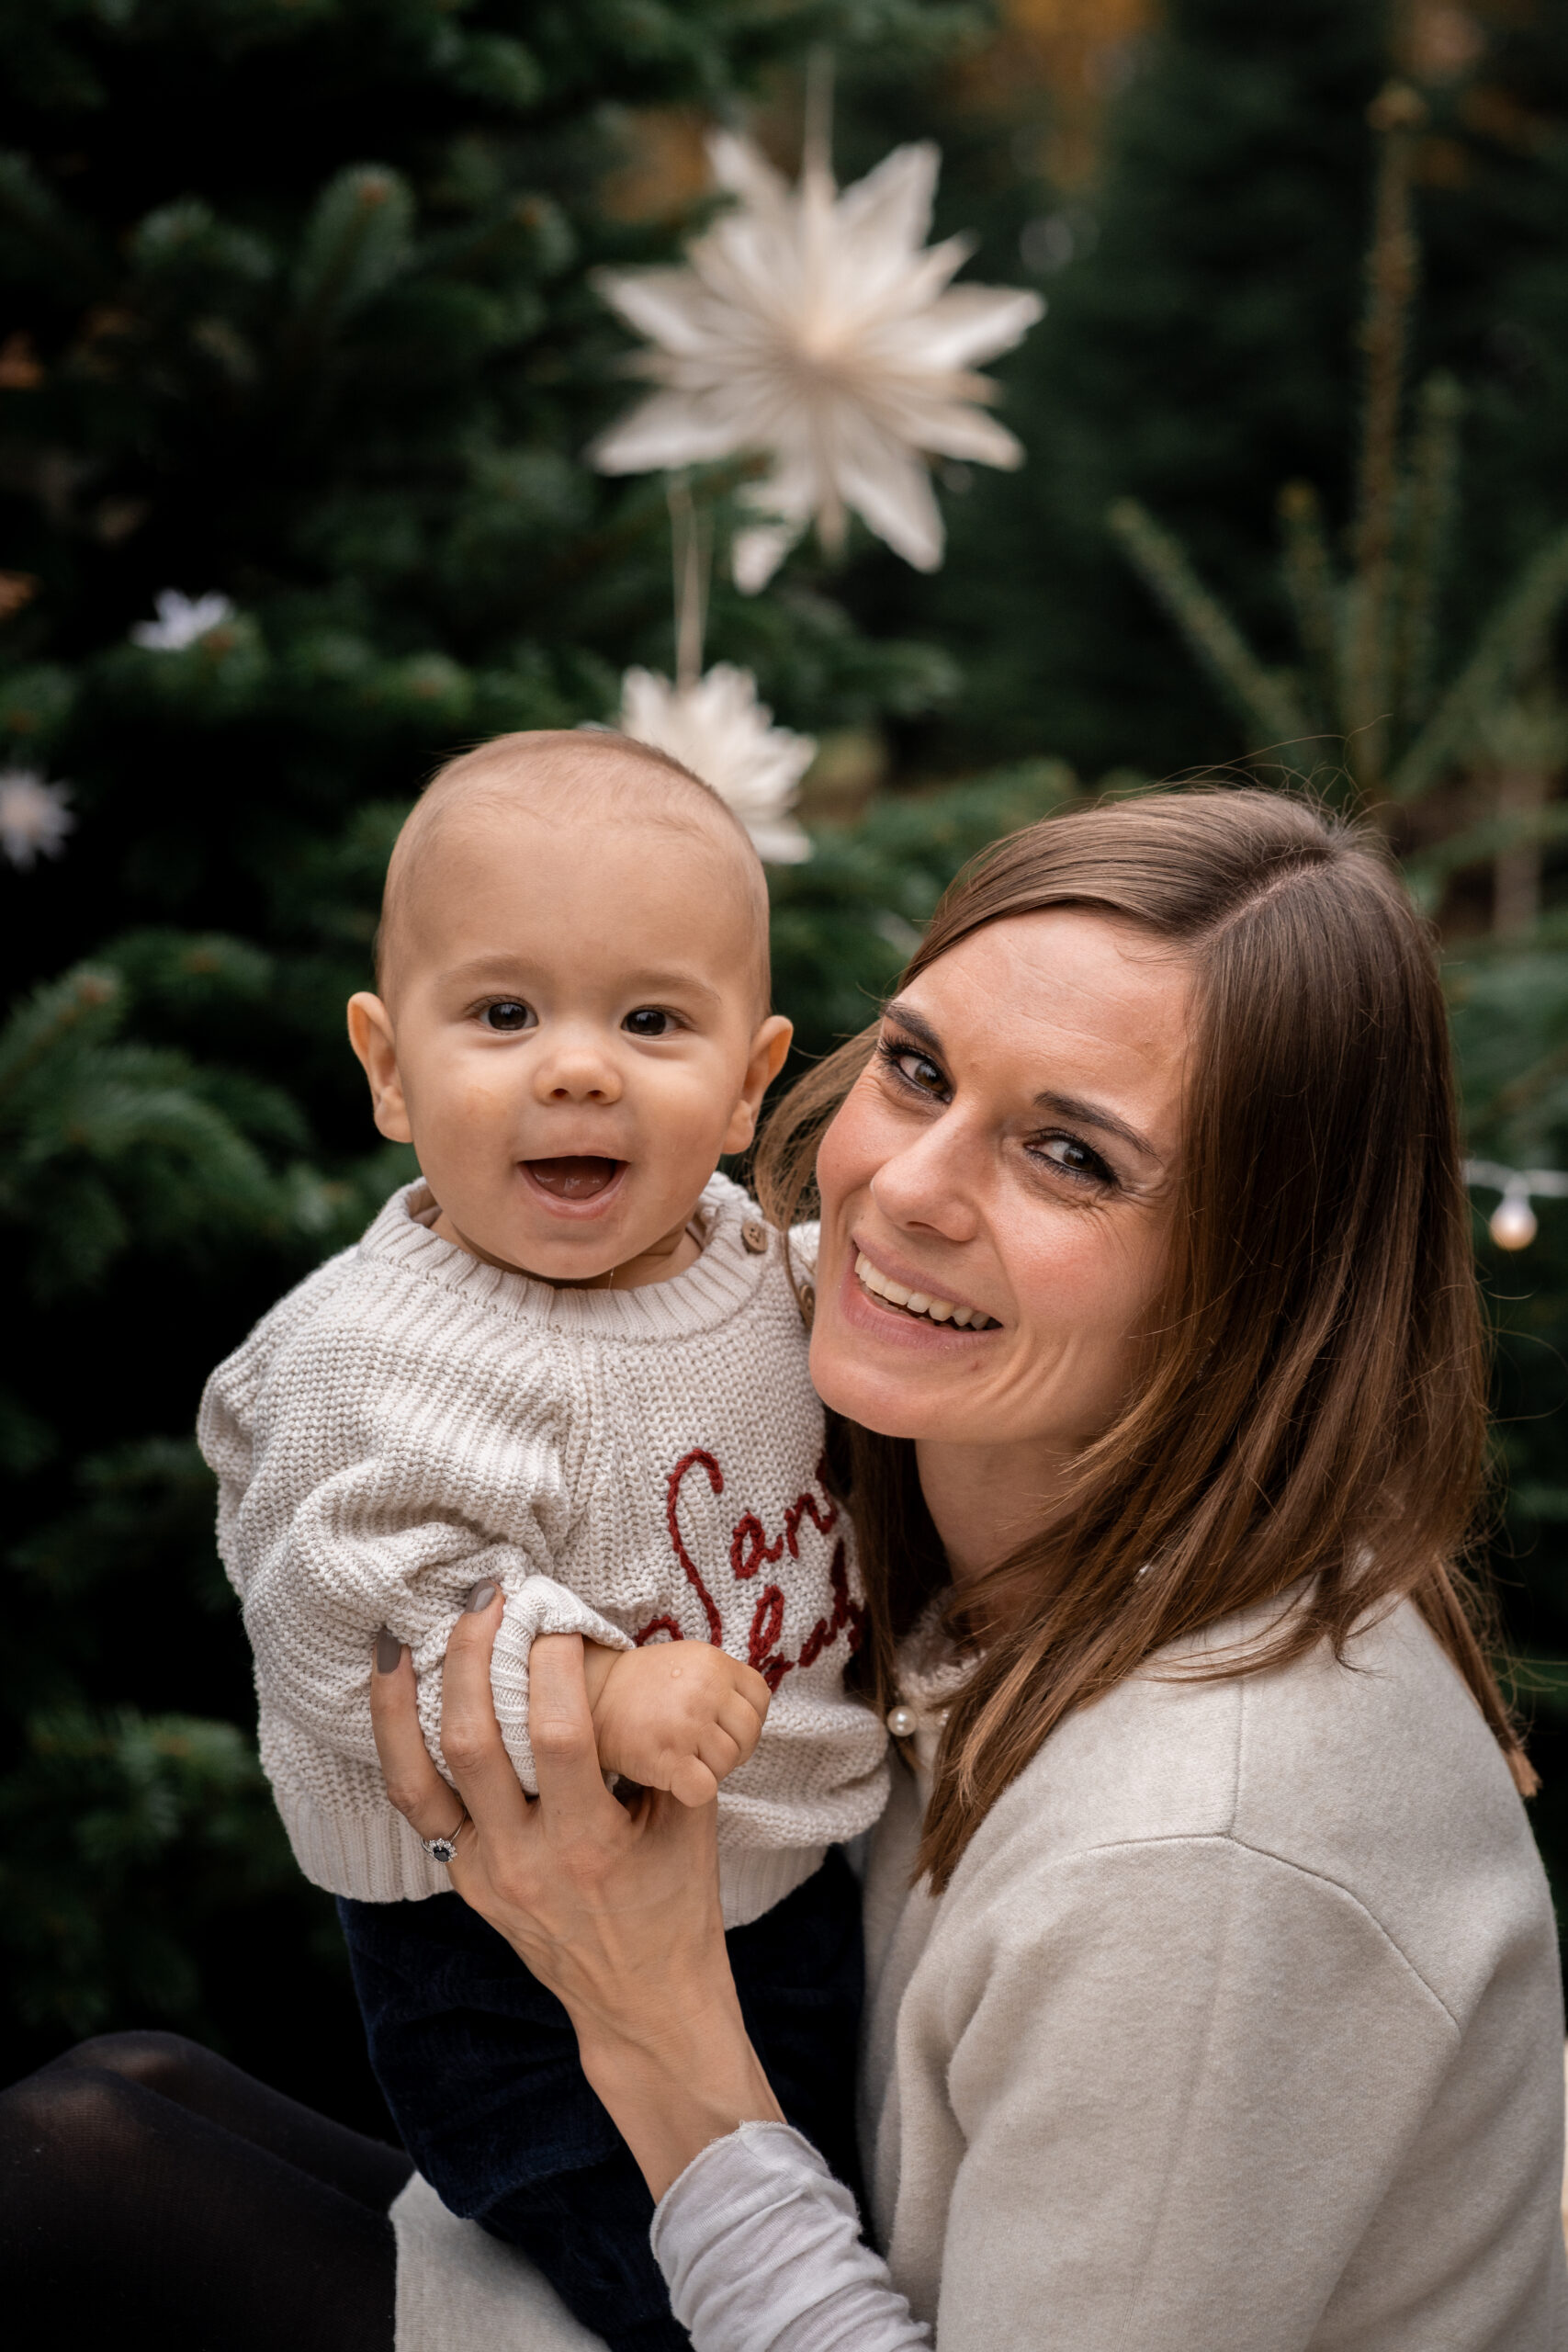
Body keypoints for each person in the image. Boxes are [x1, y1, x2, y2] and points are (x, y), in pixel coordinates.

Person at [4, 787, 1563, 2350]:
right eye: (918, 1069)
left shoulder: (1204, 1856)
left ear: (1264, 1276)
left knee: (85, 2190)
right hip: (788, 2229)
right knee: (107, 2118)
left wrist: (649, 2014)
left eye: (1070, 1156)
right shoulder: (940, 1461)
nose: (905, 1189)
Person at [191, 729, 888, 2347]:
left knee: (818, 2204)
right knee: (647, 2278)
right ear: (387, 1066)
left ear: (749, 1084)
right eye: (504, 1014)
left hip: (782, 1898)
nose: (578, 1069)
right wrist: (601, 1692)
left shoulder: (758, 1273)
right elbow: (358, 1622)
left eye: (651, 1021)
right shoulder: (379, 1360)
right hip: (504, 1959)